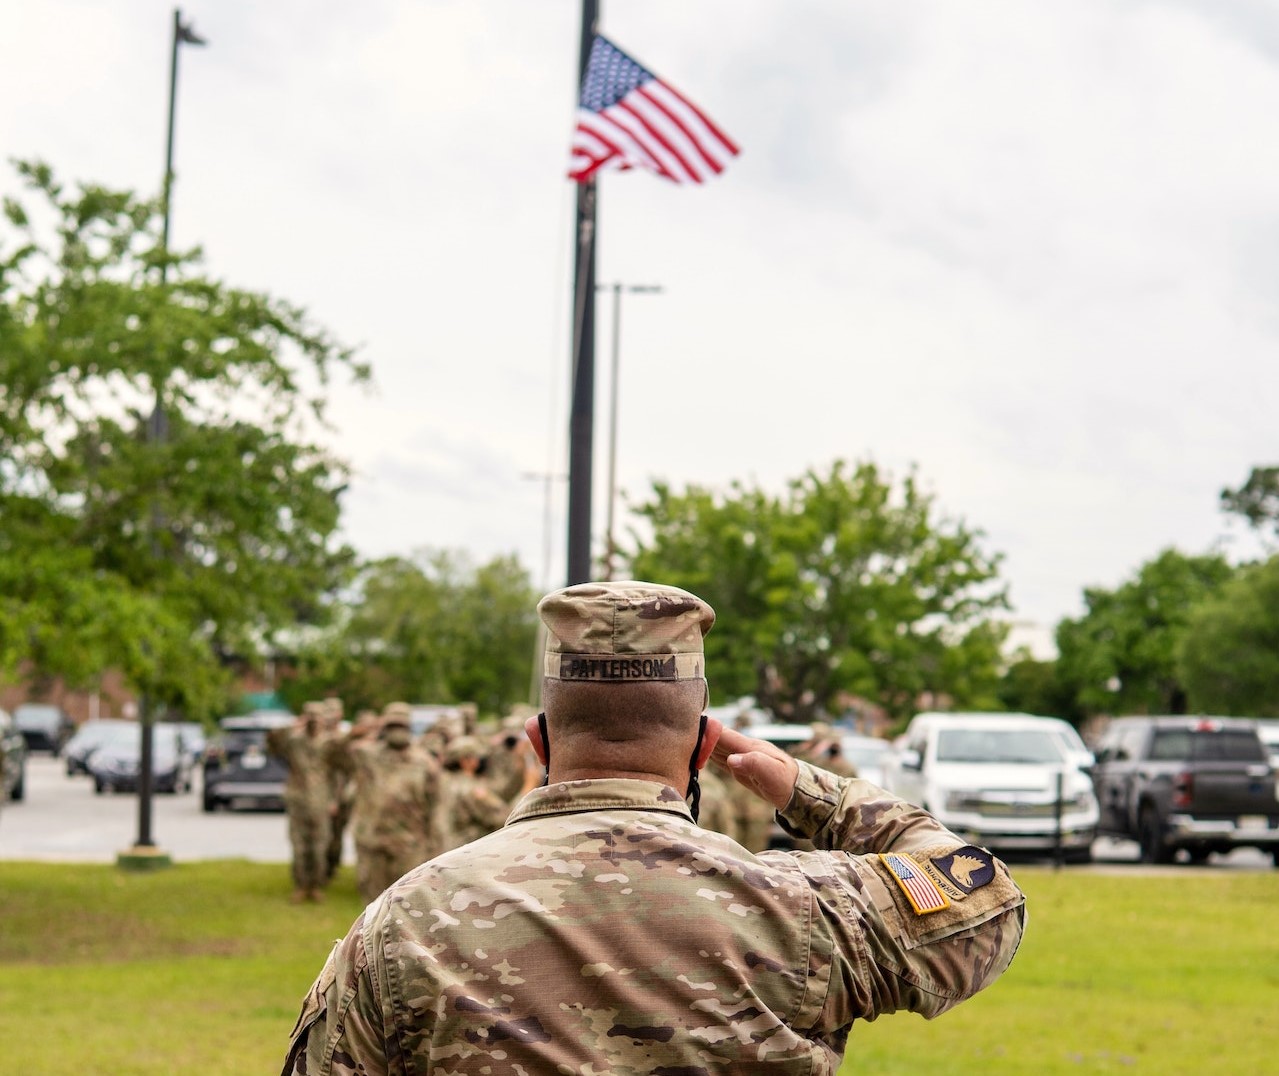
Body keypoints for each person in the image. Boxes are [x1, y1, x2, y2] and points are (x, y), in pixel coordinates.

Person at [281, 580, 1026, 1074]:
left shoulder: (405, 923)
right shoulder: (800, 910)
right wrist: (808, 791)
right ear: (705, 745)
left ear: (537, 742)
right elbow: (981, 896)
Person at [345, 703, 443, 905]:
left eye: (402, 725)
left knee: (405, 905)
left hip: (409, 844)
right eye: (392, 726)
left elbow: (436, 808)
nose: (397, 731)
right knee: (371, 907)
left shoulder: (424, 763)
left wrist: (435, 848)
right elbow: (335, 752)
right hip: (372, 841)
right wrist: (367, 729)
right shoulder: (366, 755)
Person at [267, 701, 333, 904]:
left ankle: (315, 885)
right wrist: (293, 725)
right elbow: (272, 742)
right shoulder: (294, 741)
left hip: (322, 800)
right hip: (298, 799)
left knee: (319, 846)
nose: (313, 721)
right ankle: (301, 886)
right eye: (310, 716)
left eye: (317, 716)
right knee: (299, 845)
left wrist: (336, 799)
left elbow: (341, 772)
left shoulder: (330, 743)